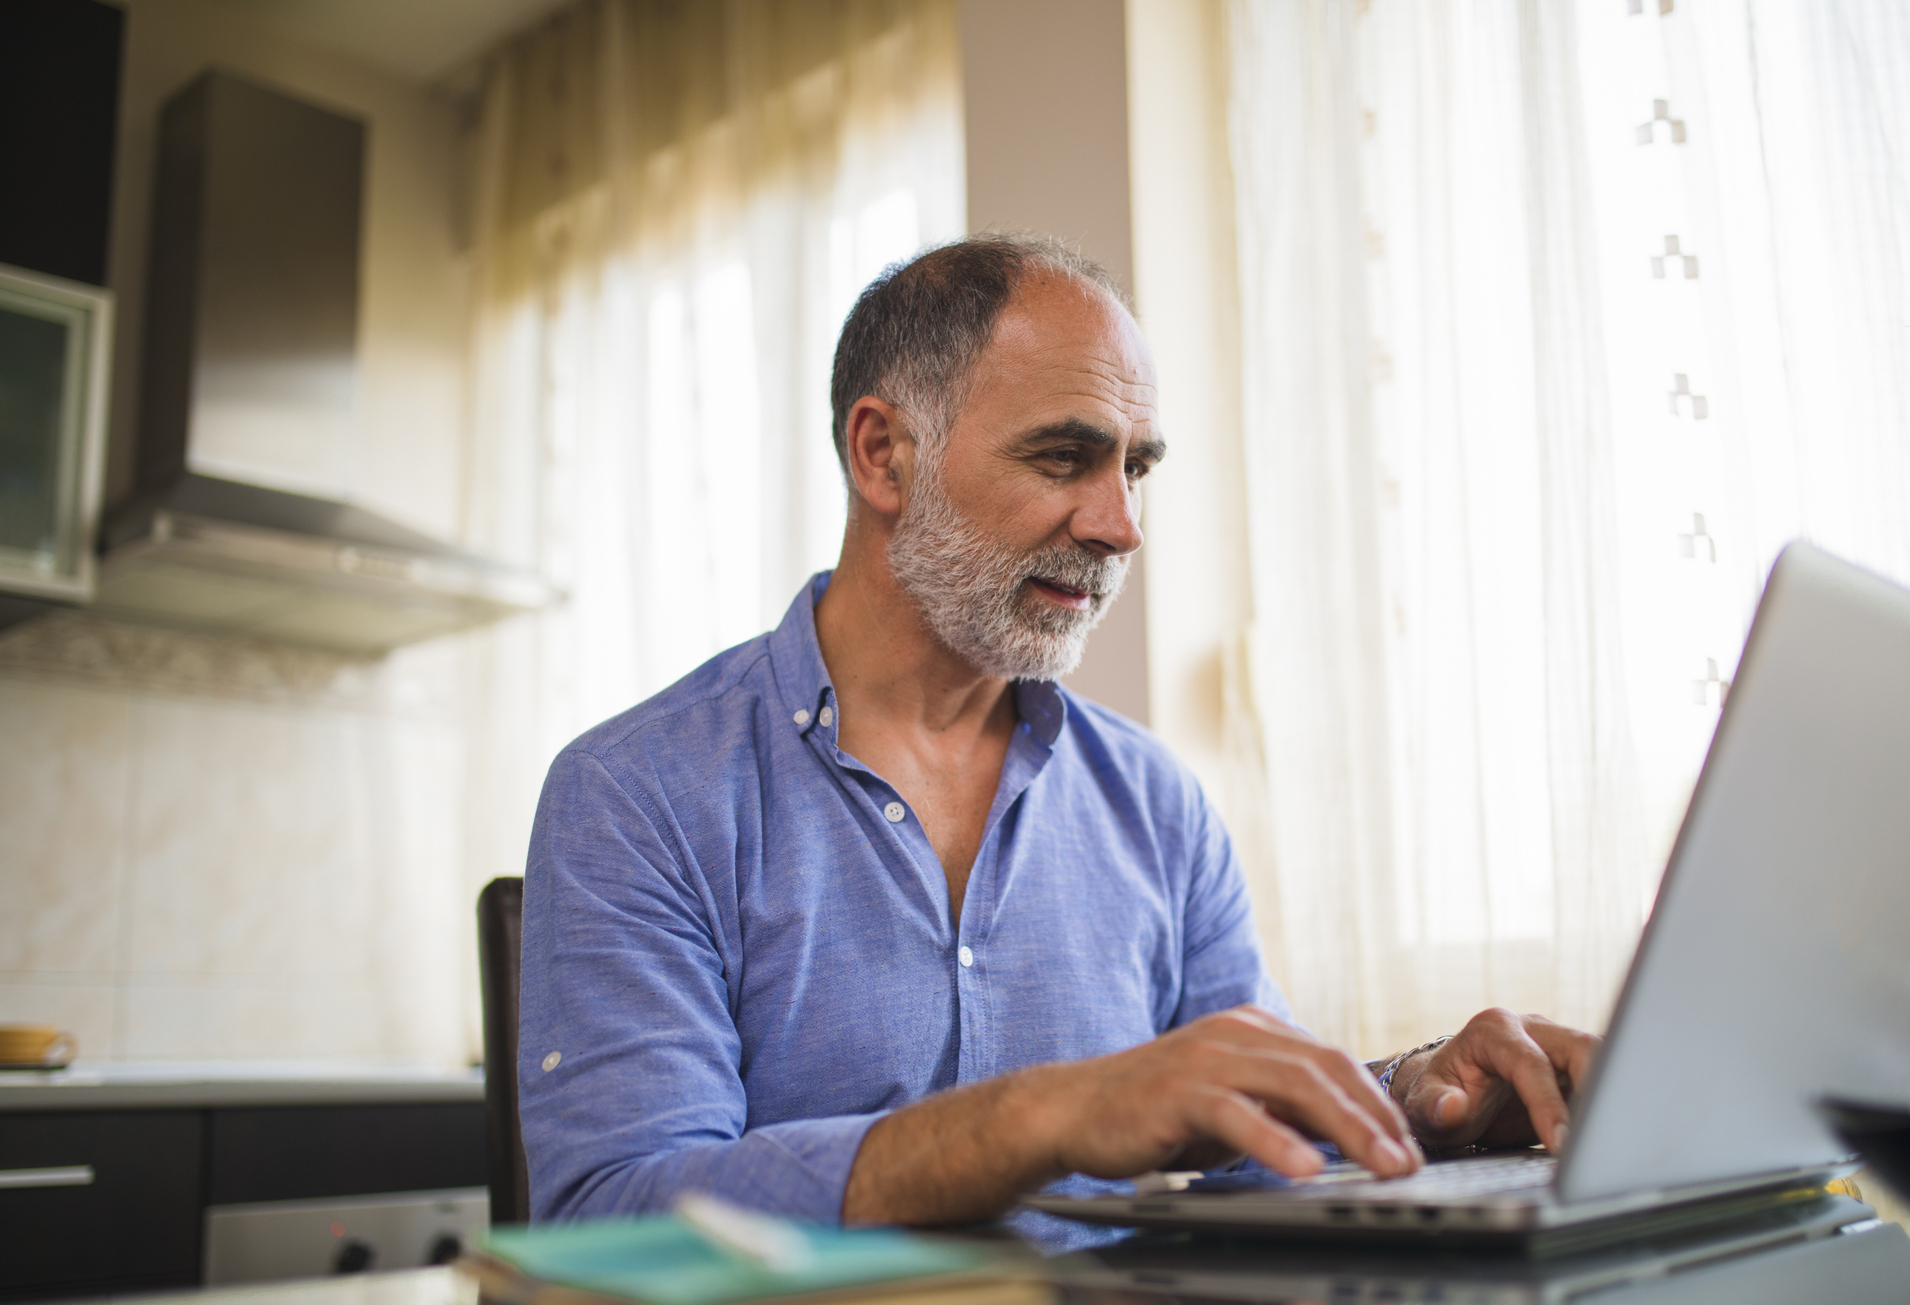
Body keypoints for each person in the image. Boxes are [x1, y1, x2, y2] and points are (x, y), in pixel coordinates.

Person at [518, 233, 1597, 1232]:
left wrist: (1419, 1095)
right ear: (882, 453)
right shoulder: (636, 792)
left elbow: (1253, 1132)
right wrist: (1042, 1115)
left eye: (1135, 467)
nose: (1119, 525)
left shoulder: (1154, 802)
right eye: (1063, 457)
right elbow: (615, 1212)